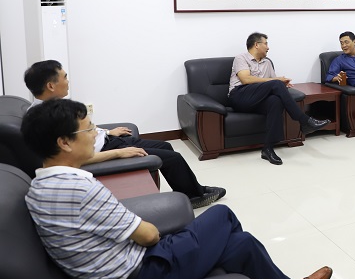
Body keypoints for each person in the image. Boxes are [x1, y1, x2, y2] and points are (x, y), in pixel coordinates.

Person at [22, 98, 332, 279]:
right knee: (222, 215)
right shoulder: (79, 188)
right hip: (137, 275)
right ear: (64, 142)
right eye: (88, 129)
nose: (94, 135)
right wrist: (151, 231)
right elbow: (148, 236)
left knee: (242, 242)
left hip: (116, 271)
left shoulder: (40, 185)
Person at [23, 60, 225, 209]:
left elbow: (82, 130)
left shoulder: (52, 108)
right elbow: (69, 158)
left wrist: (106, 131)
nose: (68, 81)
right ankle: (193, 196)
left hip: (108, 140)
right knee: (173, 157)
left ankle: (193, 190)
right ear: (51, 85)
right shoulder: (45, 118)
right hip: (107, 150)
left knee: (166, 146)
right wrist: (119, 153)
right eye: (65, 77)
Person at [228, 32, 330, 165]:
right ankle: (304, 120)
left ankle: (268, 149)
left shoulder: (267, 63)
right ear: (256, 45)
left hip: (256, 100)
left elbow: (272, 85)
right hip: (239, 96)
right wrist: (276, 82)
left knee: (275, 101)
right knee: (276, 83)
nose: (268, 47)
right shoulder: (241, 58)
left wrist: (283, 85)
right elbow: (245, 79)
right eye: (266, 44)